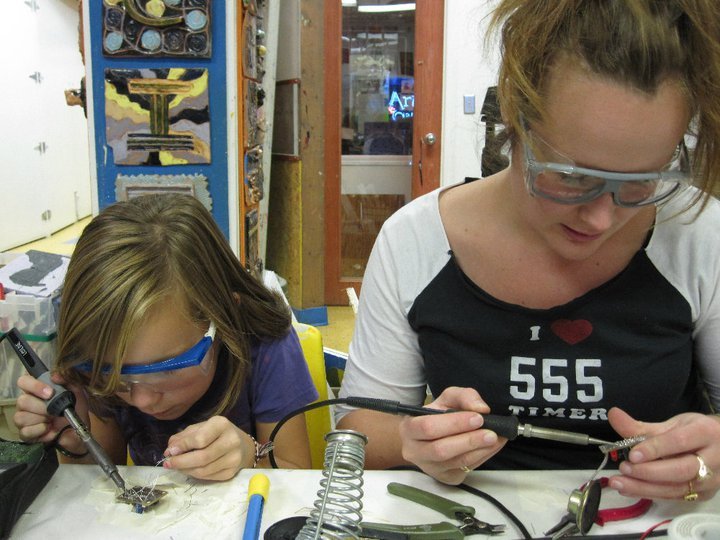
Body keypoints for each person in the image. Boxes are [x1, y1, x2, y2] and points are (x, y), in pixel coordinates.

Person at [337, 0, 720, 502]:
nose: (601, 219)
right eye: (571, 176)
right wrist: (411, 441)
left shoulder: (700, 233)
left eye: (641, 181)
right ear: (514, 117)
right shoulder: (415, 239)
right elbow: (355, 436)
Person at [14, 193, 318, 480]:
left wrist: (250, 455)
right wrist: (76, 441)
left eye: (166, 369)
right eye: (115, 375)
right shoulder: (96, 361)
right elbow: (105, 482)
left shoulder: (267, 346)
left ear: (225, 319)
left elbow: (295, 478)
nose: (143, 400)